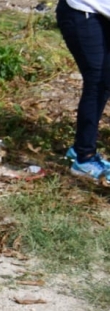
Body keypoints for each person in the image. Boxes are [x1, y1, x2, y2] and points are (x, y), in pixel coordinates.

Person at [57, 0, 110, 181]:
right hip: (83, 10)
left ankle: (80, 146)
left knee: (104, 82)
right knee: (97, 82)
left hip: (102, 13)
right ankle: (84, 158)